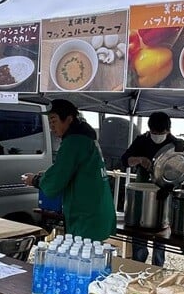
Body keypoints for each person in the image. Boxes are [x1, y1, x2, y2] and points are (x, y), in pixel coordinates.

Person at [22, 99, 116, 241]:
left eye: (54, 121)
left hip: (86, 216)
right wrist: (47, 175)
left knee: (81, 259)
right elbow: (71, 171)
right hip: (98, 210)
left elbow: (56, 180)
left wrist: (34, 180)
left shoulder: (74, 142)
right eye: (50, 123)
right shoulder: (87, 138)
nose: (51, 127)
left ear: (69, 119)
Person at [120, 111, 184, 266]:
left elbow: (182, 171)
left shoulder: (174, 144)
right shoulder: (142, 141)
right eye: (154, 132)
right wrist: (138, 159)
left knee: (160, 236)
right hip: (142, 194)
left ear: (168, 130)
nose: (157, 135)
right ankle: (138, 266)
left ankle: (158, 268)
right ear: (149, 129)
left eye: (161, 132)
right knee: (140, 236)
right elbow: (124, 160)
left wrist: (169, 188)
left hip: (163, 193)